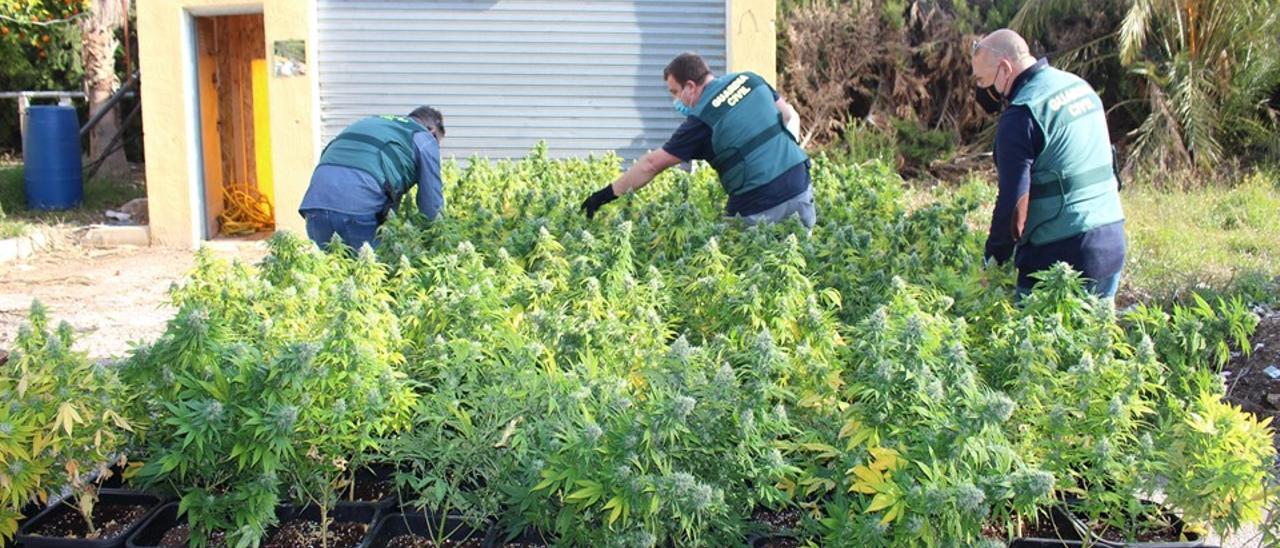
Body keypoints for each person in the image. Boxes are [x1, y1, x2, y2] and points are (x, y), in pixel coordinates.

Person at [970, 29, 1126, 300]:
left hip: (1060, 254)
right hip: (1111, 238)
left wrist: (992, 262)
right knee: (1095, 338)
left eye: (983, 81)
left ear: (1005, 69)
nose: (983, 91)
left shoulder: (1022, 114)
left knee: (1036, 340)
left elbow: (1013, 205)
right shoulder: (1078, 86)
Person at [580, 52, 815, 228]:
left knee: (739, 269)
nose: (675, 100)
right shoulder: (750, 80)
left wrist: (602, 197)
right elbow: (786, 114)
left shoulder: (701, 122)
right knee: (799, 265)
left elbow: (651, 164)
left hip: (758, 202)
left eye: (674, 92)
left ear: (690, 86)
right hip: (800, 183)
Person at [298, 106, 446, 250]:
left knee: (328, 272)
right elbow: (431, 202)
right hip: (358, 207)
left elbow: (328, 155)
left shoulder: (370, 123)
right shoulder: (424, 137)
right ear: (432, 130)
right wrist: (436, 240)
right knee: (372, 271)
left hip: (315, 204)